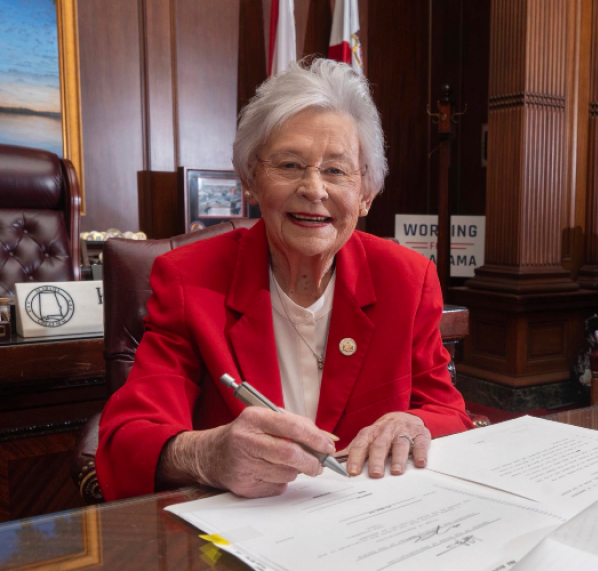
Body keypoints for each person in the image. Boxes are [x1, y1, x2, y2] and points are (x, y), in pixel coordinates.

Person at [96, 59, 473, 501]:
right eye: (290, 165)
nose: (314, 189)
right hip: (239, 532)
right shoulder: (190, 279)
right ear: (251, 180)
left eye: (336, 170)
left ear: (366, 194)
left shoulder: (406, 279)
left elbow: (449, 413)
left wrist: (415, 423)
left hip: (369, 526)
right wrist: (206, 455)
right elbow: (125, 440)